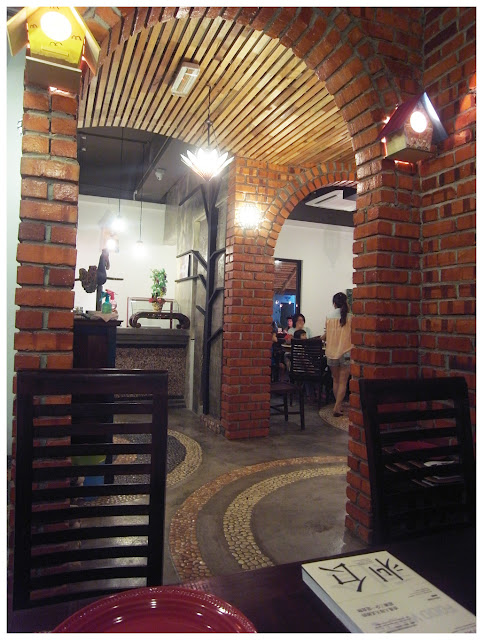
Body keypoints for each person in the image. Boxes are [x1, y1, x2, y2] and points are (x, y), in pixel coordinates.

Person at [322, 292, 352, 417]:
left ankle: (337, 405)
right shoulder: (351, 317)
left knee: (335, 380)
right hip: (346, 352)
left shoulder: (329, 316)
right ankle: (337, 406)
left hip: (331, 352)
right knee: (343, 382)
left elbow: (326, 335)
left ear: (334, 303)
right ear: (346, 302)